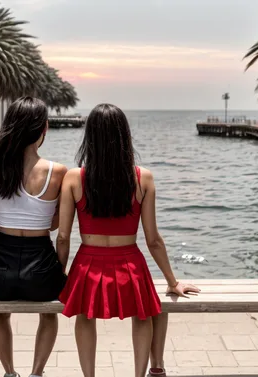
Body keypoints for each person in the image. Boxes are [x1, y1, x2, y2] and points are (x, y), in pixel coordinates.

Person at [56, 103, 200, 377]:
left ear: (90, 137)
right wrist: (173, 281)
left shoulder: (75, 177)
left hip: (88, 263)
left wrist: (60, 274)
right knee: (143, 315)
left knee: (85, 318)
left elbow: (63, 237)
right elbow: (153, 239)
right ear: (125, 136)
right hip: (130, 264)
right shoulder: (142, 177)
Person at [0, 97, 68, 377]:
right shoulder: (58, 172)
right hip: (41, 267)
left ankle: (9, 372)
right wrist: (60, 271)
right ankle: (37, 373)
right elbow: (58, 229)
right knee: (49, 313)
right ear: (44, 128)